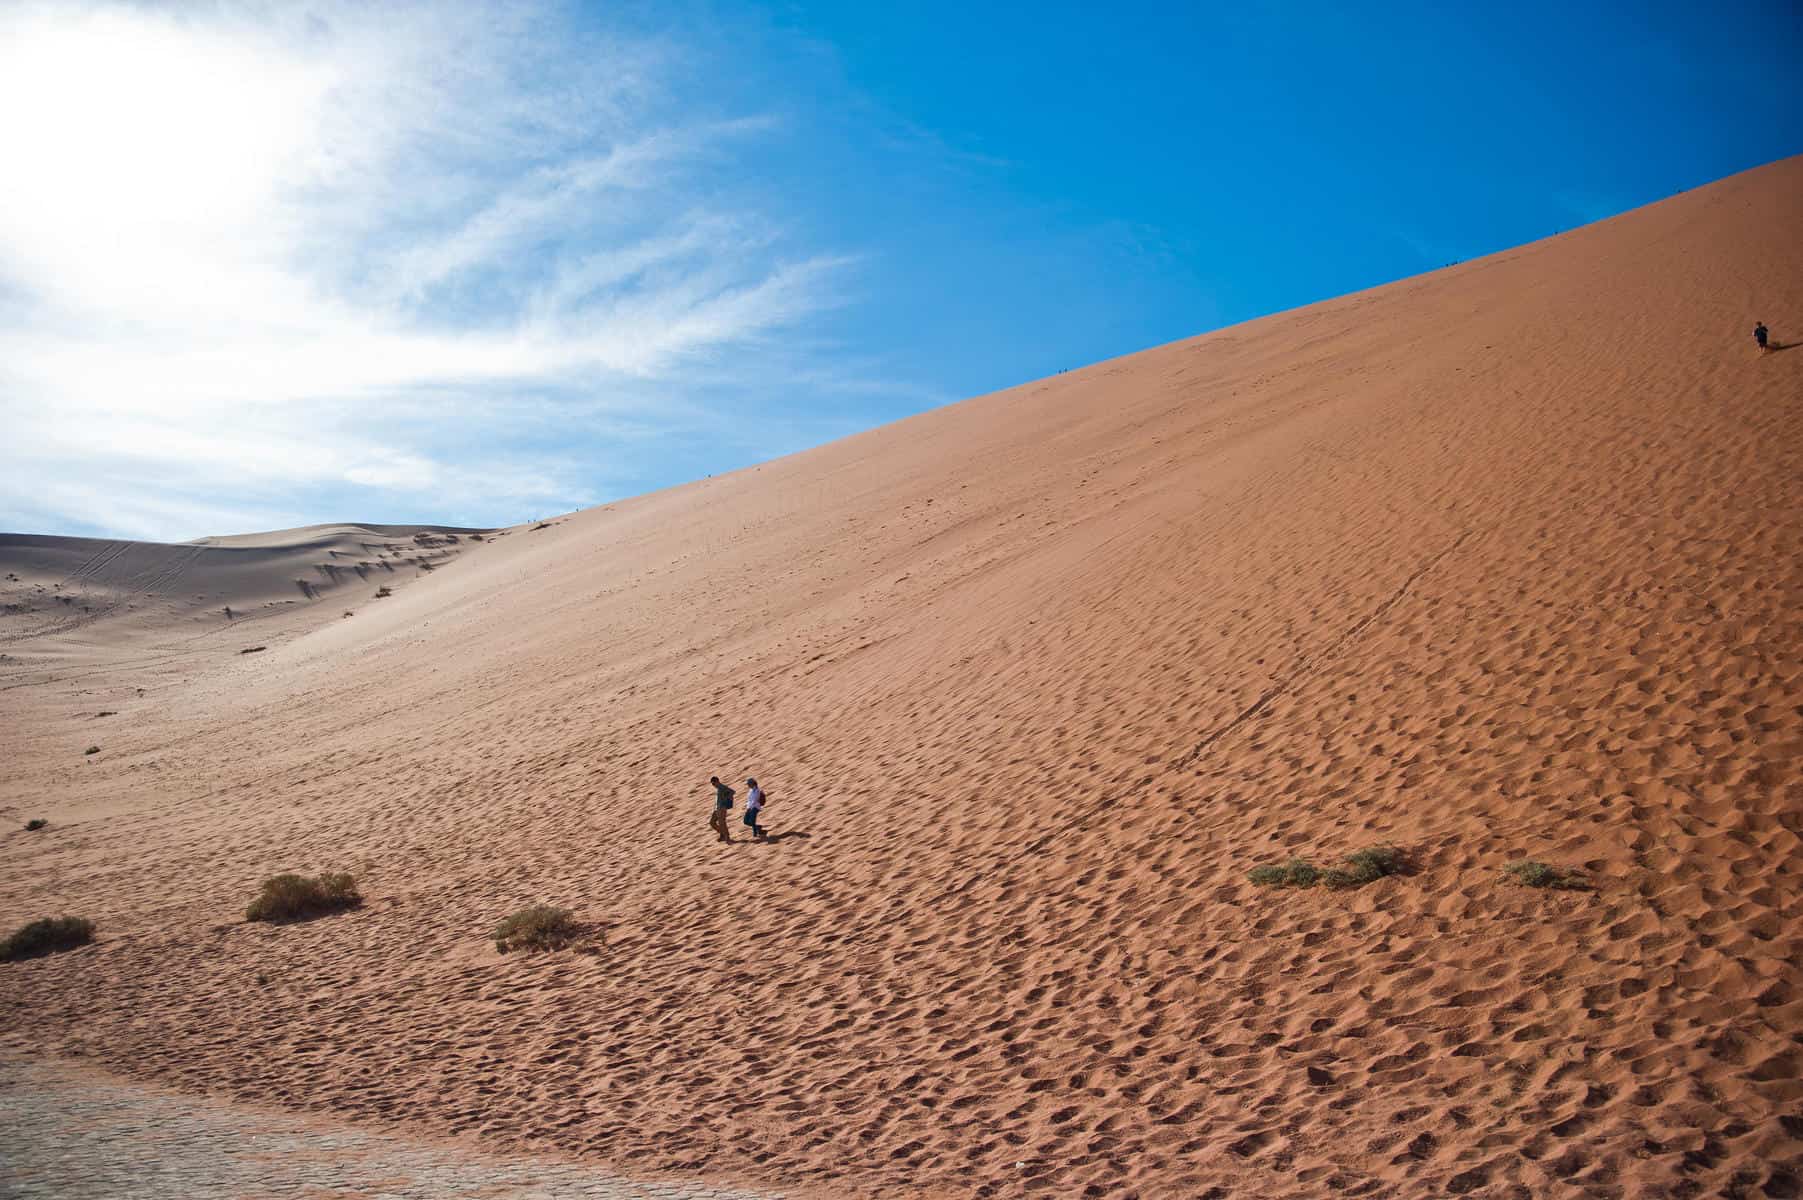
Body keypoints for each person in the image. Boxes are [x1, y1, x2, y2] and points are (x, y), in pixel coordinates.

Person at [709, 776, 734, 843]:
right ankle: (722, 834)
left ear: (717, 781)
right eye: (712, 784)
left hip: (722, 808)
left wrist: (726, 798)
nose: (713, 785)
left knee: (722, 823)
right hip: (717, 809)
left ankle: (727, 837)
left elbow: (732, 792)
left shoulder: (722, 787)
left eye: (714, 783)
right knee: (712, 822)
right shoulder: (718, 788)